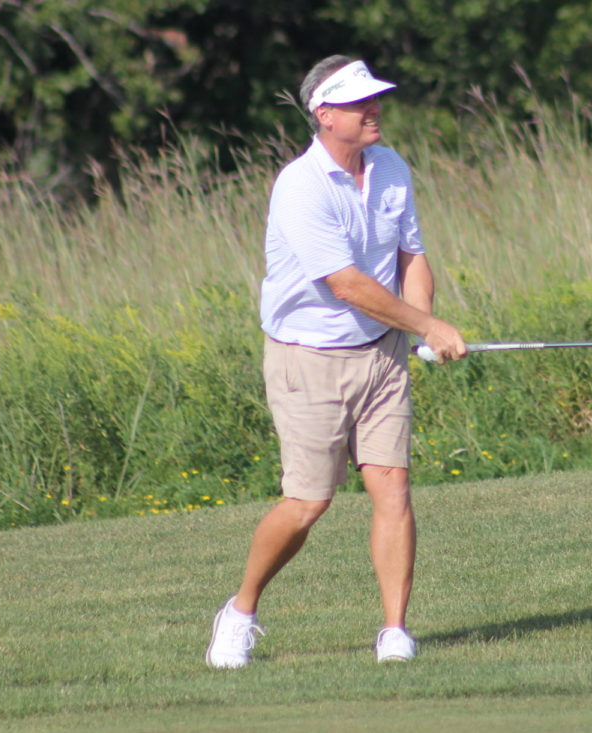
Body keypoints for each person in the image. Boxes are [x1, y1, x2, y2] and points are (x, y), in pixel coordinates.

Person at [206, 55, 467, 669]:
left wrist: (419, 326)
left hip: (382, 351)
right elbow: (346, 283)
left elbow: (412, 256)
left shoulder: (391, 166)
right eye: (358, 103)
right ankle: (240, 611)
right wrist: (427, 325)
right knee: (308, 502)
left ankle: (395, 631)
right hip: (308, 358)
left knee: (393, 486)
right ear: (324, 115)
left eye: (375, 99)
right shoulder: (299, 186)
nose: (374, 110)